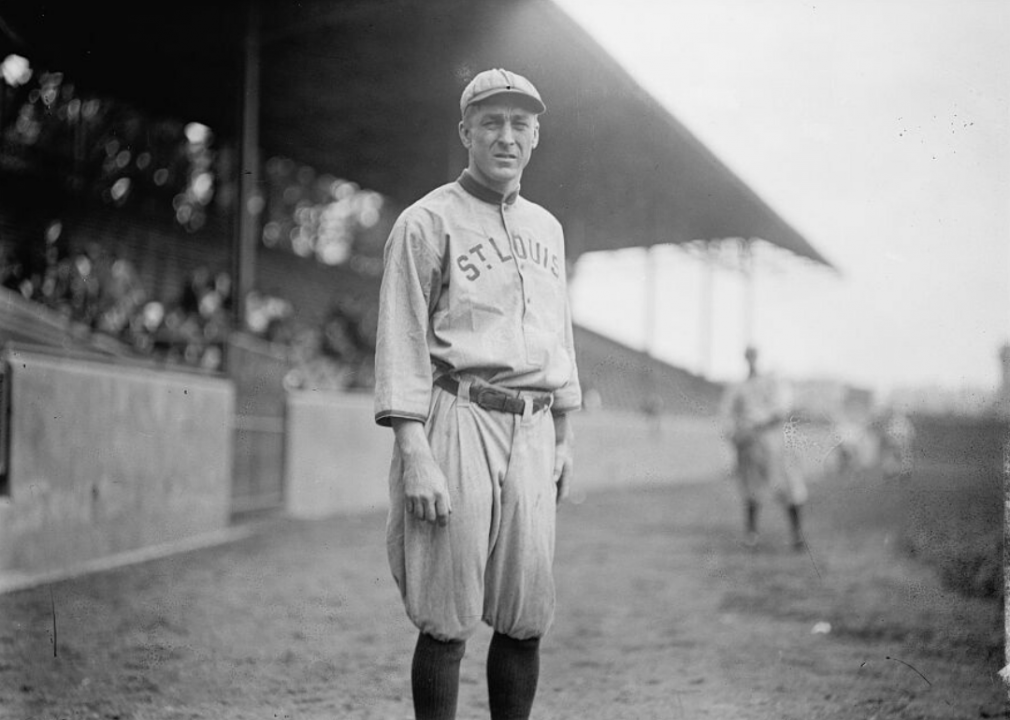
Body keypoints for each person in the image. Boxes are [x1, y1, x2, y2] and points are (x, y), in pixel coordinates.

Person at [373, 68, 581, 720]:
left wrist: (567, 436)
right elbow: (401, 339)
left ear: (536, 135)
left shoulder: (547, 228)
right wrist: (415, 450)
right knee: (447, 614)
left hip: (536, 425)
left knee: (525, 614)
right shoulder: (425, 221)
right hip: (459, 415)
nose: (506, 136)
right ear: (466, 131)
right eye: (492, 122)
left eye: (520, 123)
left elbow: (559, 335)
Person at [720, 346, 807, 550]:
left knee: (789, 487)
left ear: (757, 357)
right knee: (751, 490)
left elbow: (781, 409)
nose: (751, 359)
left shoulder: (772, 382)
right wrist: (735, 435)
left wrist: (759, 424)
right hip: (750, 446)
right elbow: (727, 416)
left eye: (753, 356)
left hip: (774, 443)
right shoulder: (738, 387)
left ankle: (796, 534)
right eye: (747, 356)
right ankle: (751, 534)